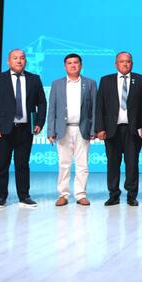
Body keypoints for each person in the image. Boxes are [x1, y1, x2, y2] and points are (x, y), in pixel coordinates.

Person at [0, 49, 47, 209]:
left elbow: (42, 102)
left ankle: (24, 196)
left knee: (22, 165)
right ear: (9, 61)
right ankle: (1, 197)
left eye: (22, 58)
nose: (19, 61)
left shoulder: (34, 79)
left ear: (26, 61)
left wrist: (39, 122)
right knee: (1, 165)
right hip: (3, 129)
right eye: (15, 58)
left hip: (25, 129)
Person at [95, 52, 142, 206]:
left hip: (133, 130)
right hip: (112, 130)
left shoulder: (141, 80)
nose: (125, 64)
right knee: (113, 164)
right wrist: (99, 128)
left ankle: (131, 196)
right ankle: (113, 195)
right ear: (116, 64)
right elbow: (100, 106)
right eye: (122, 61)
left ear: (132, 63)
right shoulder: (106, 81)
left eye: (128, 61)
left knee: (132, 164)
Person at [46, 53, 97, 207]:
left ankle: (81, 194)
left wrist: (93, 129)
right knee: (64, 163)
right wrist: (50, 131)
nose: (73, 65)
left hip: (83, 129)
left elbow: (94, 108)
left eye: (76, 63)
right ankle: (63, 194)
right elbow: (52, 108)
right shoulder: (57, 84)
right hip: (63, 129)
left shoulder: (90, 83)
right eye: (69, 63)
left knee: (82, 164)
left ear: (81, 65)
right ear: (65, 66)